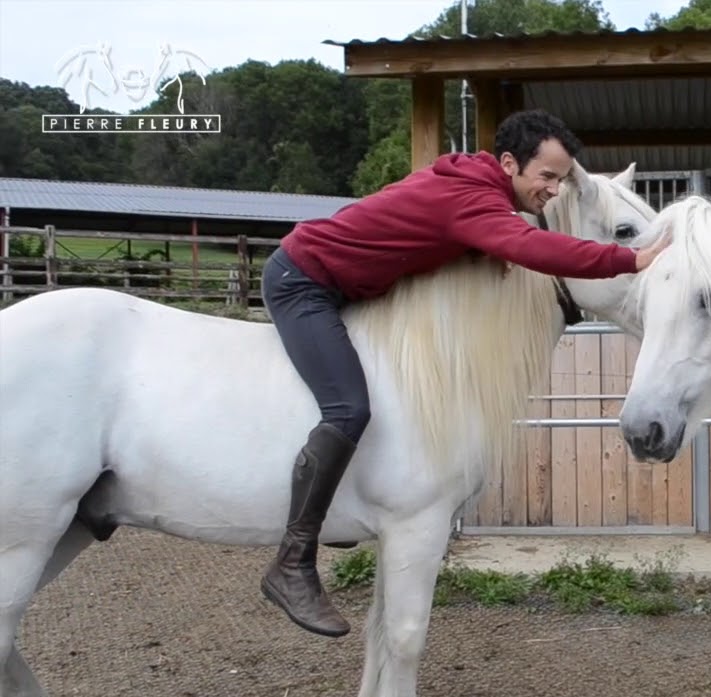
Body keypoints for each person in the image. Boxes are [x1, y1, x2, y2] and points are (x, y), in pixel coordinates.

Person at [258, 109, 669, 638]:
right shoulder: (473, 198)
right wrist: (625, 260)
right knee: (348, 407)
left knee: (373, 404)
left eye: (562, 179)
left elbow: (460, 230)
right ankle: (291, 563)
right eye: (546, 176)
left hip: (343, 287)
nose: (553, 190)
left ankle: (334, 506)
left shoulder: (475, 186)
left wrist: (480, 246)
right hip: (303, 281)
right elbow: (531, 246)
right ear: (507, 164)